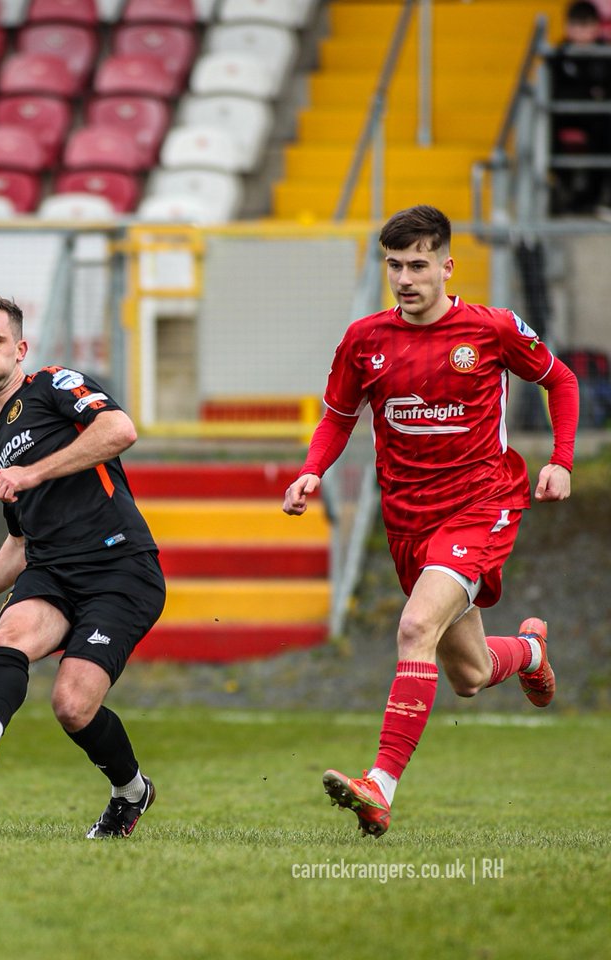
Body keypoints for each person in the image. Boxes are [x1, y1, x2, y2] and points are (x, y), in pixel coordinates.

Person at [282, 205, 579, 838]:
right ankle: (529, 651)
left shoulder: (493, 329)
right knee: (468, 675)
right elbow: (338, 415)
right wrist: (314, 469)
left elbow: (563, 381)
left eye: (419, 265)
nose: (406, 278)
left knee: (415, 626)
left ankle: (379, 786)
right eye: (395, 265)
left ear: (447, 265)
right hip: (408, 520)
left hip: (482, 503)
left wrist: (560, 460)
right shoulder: (365, 339)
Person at [0, 294, 166, 839]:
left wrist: (33, 473)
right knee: (10, 631)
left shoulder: (53, 384)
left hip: (119, 565)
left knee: (72, 706)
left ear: (20, 349)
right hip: (51, 571)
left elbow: (119, 431)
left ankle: (131, 791)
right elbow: (19, 543)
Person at [548, 0, 611, 214]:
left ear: (597, 27)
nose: (582, 33)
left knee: (605, 131)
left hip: (598, 118)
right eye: (577, 26)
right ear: (567, 27)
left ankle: (595, 197)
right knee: (544, 128)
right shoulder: (558, 55)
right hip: (564, 114)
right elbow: (553, 90)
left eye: (587, 26)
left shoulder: (606, 54)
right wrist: (589, 93)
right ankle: (562, 186)